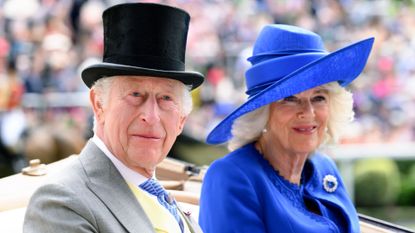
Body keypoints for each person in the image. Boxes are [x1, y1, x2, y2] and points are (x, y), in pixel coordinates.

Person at [23, 3, 204, 233]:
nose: (151, 116)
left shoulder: (169, 203)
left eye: (166, 98)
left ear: (181, 120)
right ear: (99, 104)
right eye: (135, 94)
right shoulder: (62, 202)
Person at [199, 24, 374, 233]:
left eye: (319, 98)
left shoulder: (324, 167)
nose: (308, 112)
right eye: (290, 99)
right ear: (262, 113)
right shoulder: (231, 176)